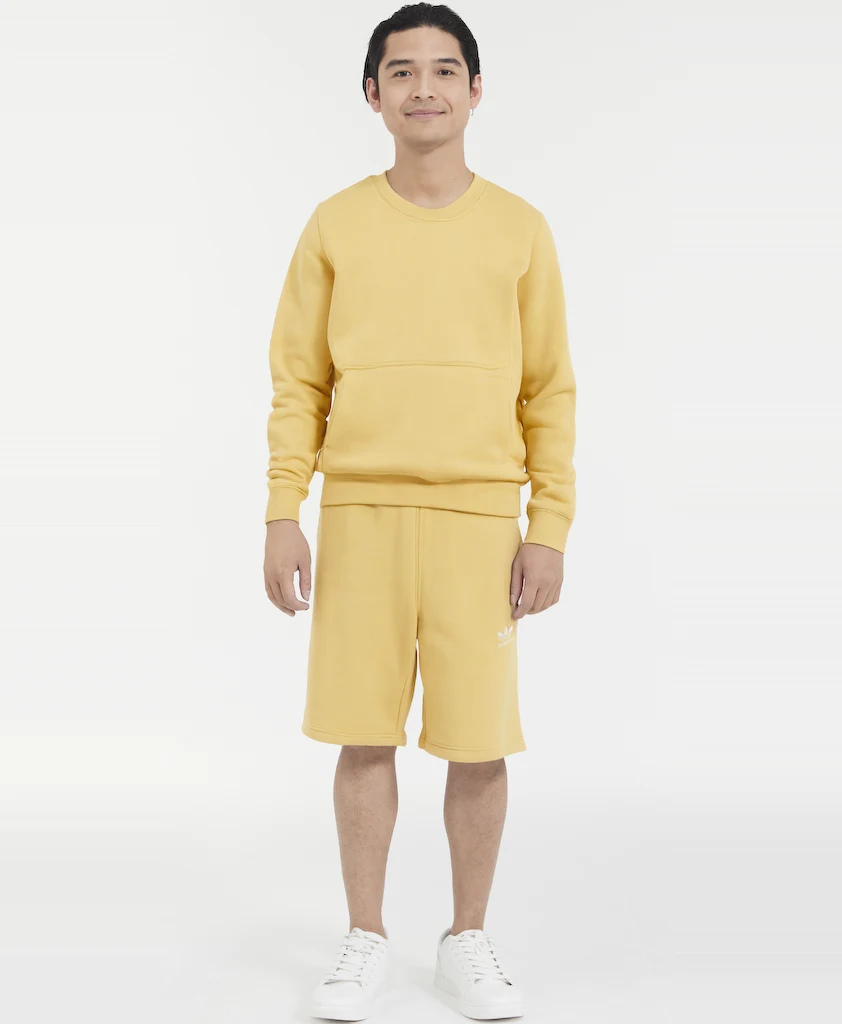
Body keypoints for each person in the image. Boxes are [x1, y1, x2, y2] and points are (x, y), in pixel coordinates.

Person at [262, 4, 576, 1020]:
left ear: (476, 91)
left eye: (445, 70)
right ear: (373, 94)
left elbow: (549, 390)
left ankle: (465, 938)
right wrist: (282, 510)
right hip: (360, 513)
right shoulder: (335, 225)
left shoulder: (519, 229)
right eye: (402, 72)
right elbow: (298, 381)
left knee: (477, 739)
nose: (425, 88)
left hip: (479, 525)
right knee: (362, 734)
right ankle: (365, 935)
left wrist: (547, 527)